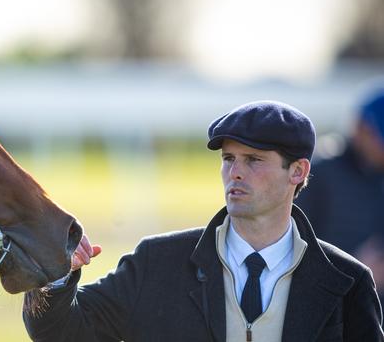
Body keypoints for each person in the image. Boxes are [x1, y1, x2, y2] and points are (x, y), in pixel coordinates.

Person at [23, 101, 384, 341]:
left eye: (253, 160)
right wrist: (54, 275)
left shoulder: (348, 282)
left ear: (298, 171)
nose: (235, 173)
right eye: (229, 159)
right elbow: (63, 330)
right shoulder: (157, 262)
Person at [296, 87, 384, 301]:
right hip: (334, 310)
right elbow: (292, 252)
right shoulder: (318, 173)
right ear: (361, 128)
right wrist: (356, 269)